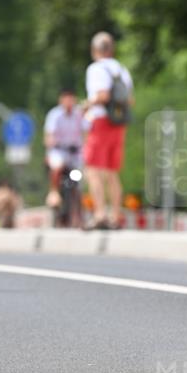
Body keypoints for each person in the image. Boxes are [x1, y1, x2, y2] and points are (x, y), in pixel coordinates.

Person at [83, 32, 134, 229]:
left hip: (102, 121)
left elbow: (102, 95)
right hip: (119, 123)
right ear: (112, 49)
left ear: (94, 50)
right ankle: (116, 215)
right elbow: (130, 100)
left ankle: (100, 214)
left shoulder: (96, 69)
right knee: (112, 172)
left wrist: (87, 104)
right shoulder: (121, 69)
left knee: (93, 170)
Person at [44, 88, 85, 215]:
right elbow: (49, 134)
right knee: (57, 168)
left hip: (75, 152)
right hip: (59, 150)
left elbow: (86, 129)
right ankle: (54, 192)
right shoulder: (54, 115)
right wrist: (51, 142)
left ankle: (78, 204)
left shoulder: (79, 114)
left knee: (80, 176)